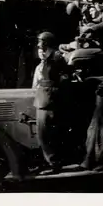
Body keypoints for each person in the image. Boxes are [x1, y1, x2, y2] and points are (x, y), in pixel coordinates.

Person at [32, 32, 70, 175]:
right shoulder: (46, 58)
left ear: (47, 42)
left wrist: (54, 91)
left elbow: (65, 77)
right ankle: (47, 162)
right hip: (42, 98)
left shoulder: (56, 57)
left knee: (46, 134)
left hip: (49, 99)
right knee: (42, 134)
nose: (38, 45)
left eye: (40, 41)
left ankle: (53, 164)